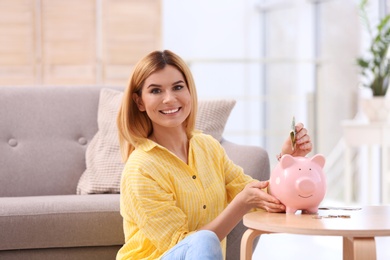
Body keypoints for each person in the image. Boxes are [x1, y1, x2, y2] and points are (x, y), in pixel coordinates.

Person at [116, 50, 312, 260]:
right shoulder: (140, 169)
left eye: (178, 87)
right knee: (203, 240)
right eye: (156, 91)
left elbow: (267, 200)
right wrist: (239, 205)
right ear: (139, 102)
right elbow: (183, 247)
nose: (169, 99)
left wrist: (288, 164)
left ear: (190, 91)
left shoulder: (208, 147)